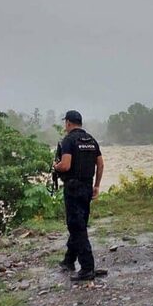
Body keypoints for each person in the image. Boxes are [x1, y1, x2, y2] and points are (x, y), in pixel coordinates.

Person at [53, 110, 104, 281]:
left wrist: (56, 166)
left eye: (65, 123)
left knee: (76, 226)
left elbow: (66, 165)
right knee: (79, 224)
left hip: (74, 188)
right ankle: (69, 261)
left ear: (68, 123)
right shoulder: (91, 140)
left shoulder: (68, 140)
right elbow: (100, 164)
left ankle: (87, 267)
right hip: (88, 186)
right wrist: (96, 185)